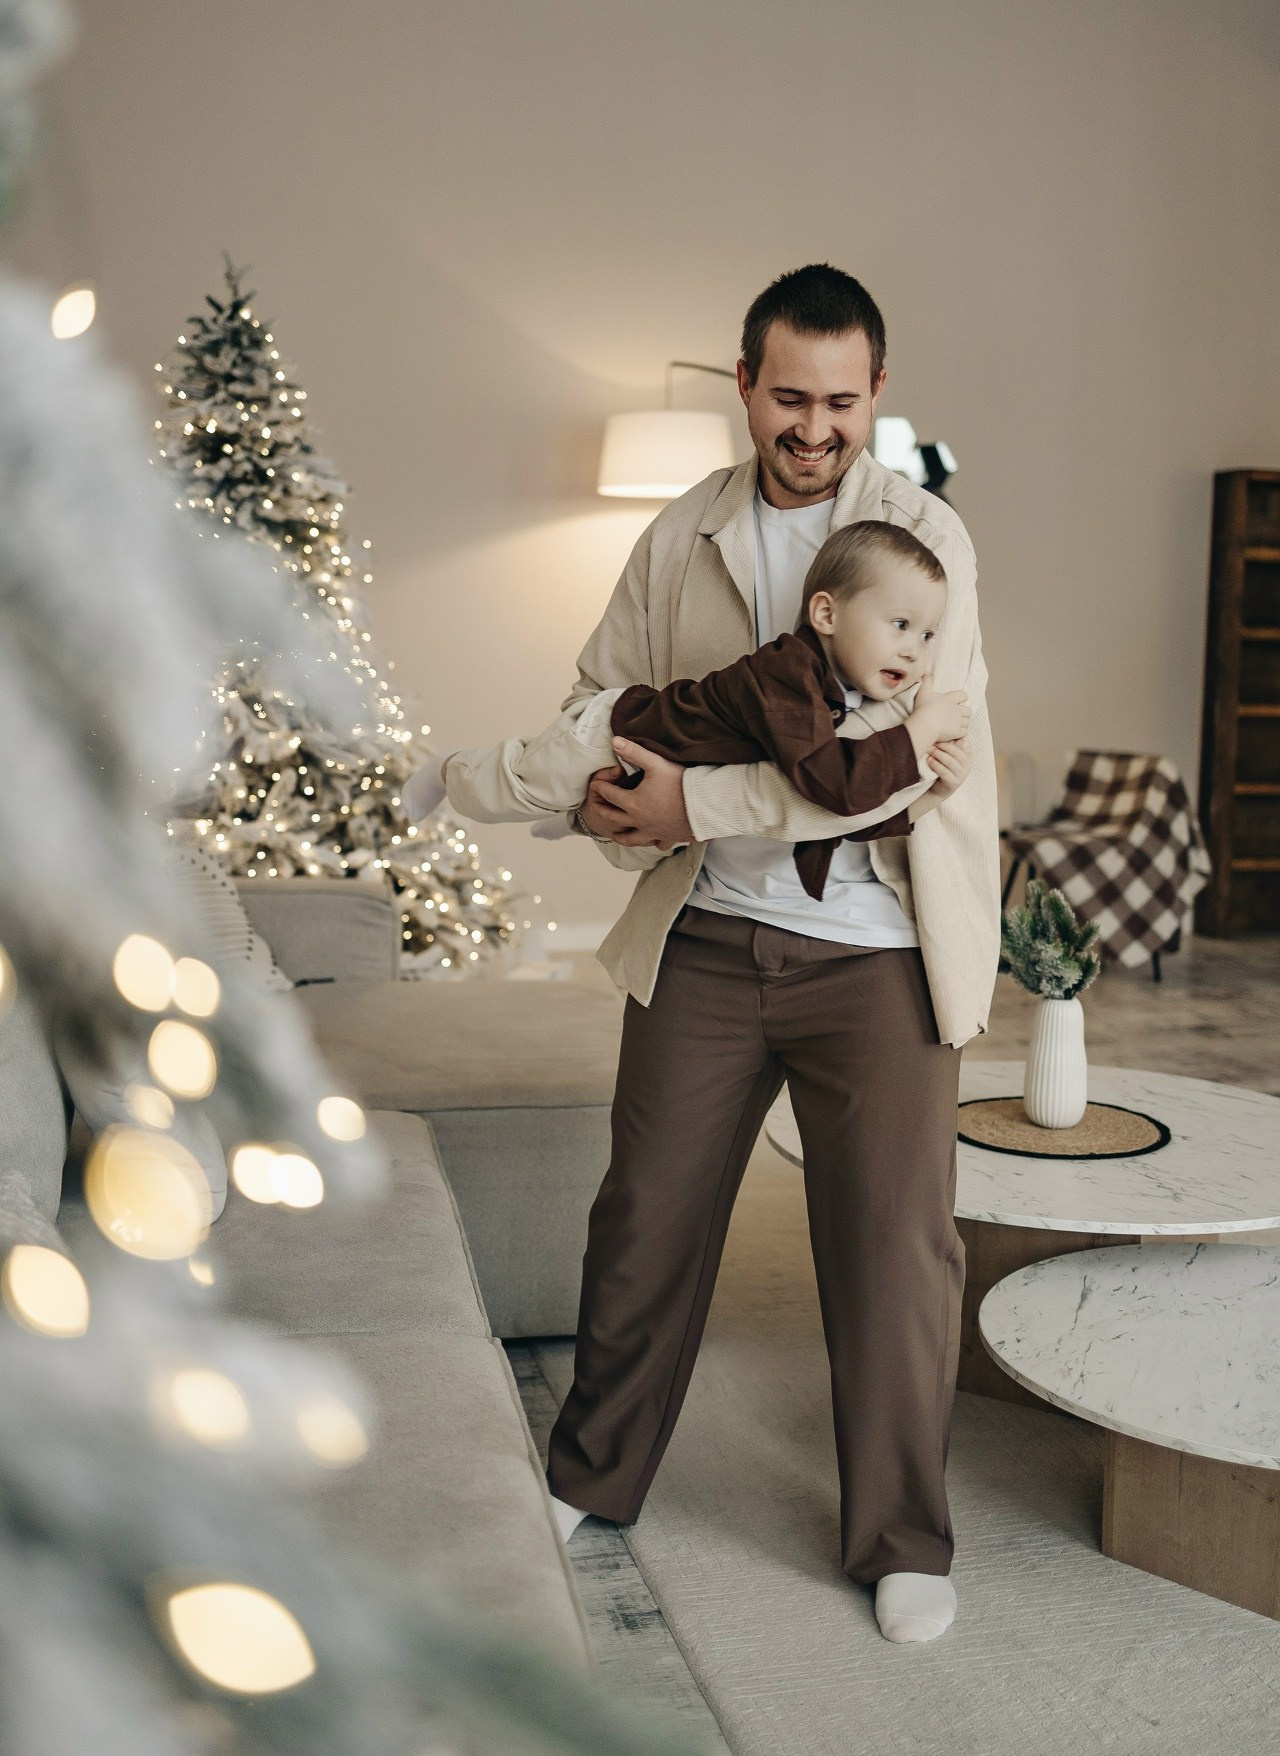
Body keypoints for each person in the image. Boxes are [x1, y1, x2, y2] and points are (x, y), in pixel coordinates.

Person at [427, 263, 1000, 1646]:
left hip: (880, 948)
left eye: (843, 402)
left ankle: (904, 1538)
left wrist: (695, 796)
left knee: (894, 1249)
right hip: (707, 938)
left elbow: (906, 764)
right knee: (644, 1223)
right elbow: (600, 700)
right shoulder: (679, 536)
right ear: (743, 385)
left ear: (877, 393)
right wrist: (617, 796)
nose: (815, 428)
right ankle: (595, 1473)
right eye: (790, 397)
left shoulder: (925, 543)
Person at [403, 520, 975, 895]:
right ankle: (452, 771)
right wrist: (920, 729)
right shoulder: (787, 675)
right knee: (514, 789)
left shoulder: (837, 691)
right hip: (614, 733)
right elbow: (836, 789)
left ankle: (563, 810)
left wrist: (932, 794)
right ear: (825, 615)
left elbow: (841, 818)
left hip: (657, 761)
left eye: (928, 635)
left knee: (569, 800)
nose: (914, 648)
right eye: (900, 624)